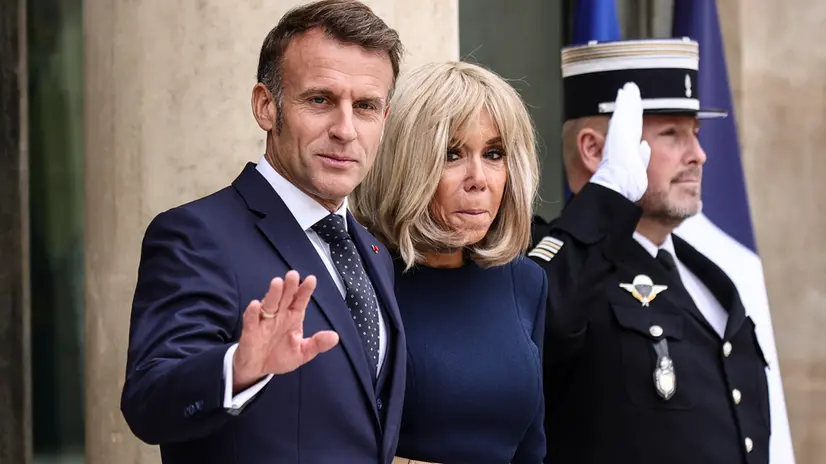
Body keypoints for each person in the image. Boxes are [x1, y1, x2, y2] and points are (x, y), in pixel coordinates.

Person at [120, 1, 407, 463]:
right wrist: (239, 368)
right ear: (266, 106)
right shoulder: (196, 235)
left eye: (366, 107)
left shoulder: (372, 250)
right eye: (320, 100)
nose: (345, 129)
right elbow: (149, 401)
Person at [529, 38, 772, 464]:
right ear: (595, 150)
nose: (699, 155)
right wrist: (609, 196)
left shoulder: (707, 276)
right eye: (672, 134)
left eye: (695, 133)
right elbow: (537, 322)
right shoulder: (565, 267)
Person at [351, 61, 547, 464]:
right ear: (405, 164)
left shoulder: (526, 282)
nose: (479, 178)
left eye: (494, 153)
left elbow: (532, 448)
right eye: (452, 154)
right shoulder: (358, 276)